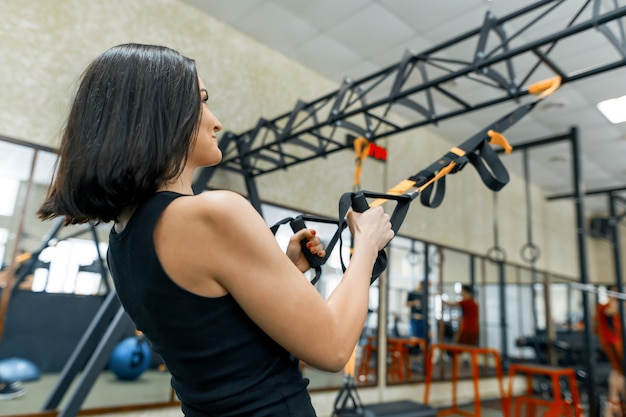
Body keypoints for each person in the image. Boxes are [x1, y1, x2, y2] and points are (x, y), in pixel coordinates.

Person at [36, 43, 394, 416]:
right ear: (159, 114)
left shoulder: (121, 243)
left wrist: (286, 272)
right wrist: (366, 244)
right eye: (201, 102)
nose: (215, 120)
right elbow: (333, 346)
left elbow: (218, 337)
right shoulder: (213, 212)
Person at [594, 286, 625, 416]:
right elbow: (610, 311)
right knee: (620, 370)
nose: (615, 294)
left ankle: (614, 399)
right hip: (611, 343)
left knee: (618, 372)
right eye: (613, 292)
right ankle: (614, 400)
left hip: (617, 342)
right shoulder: (604, 307)